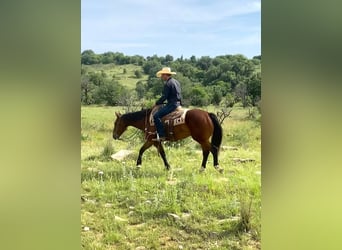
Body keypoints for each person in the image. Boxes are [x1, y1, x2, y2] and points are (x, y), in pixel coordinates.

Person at [152, 67, 182, 142]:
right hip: (178, 103)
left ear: (166, 75)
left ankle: (162, 135)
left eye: (162, 75)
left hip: (172, 104)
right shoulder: (176, 82)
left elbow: (164, 96)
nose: (162, 77)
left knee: (156, 116)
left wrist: (157, 103)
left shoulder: (168, 84)